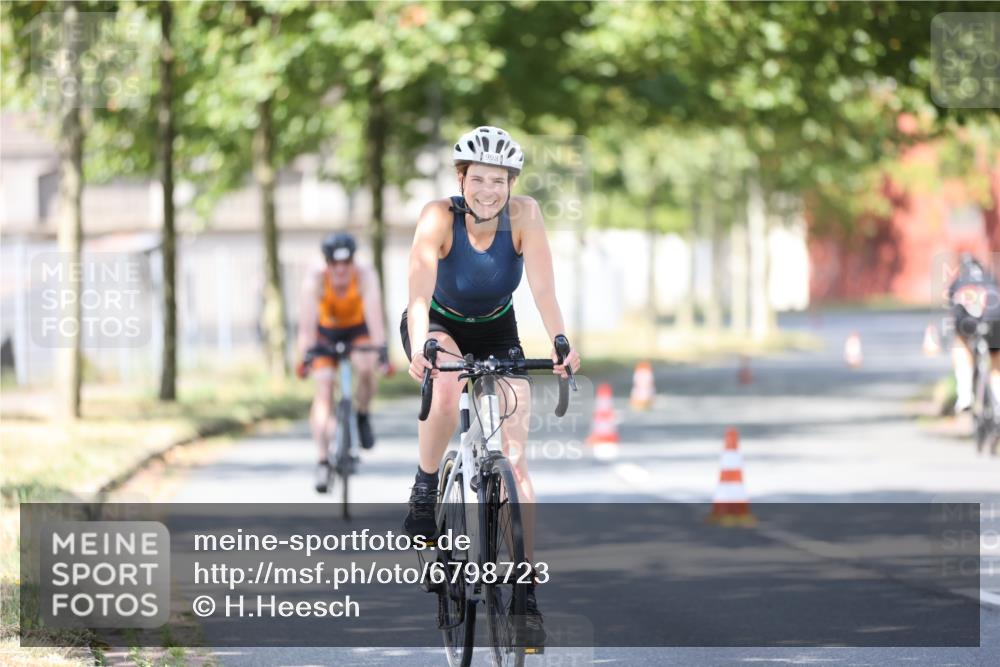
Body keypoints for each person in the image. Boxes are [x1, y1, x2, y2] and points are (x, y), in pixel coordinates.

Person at [400, 125, 581, 641]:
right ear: (462, 178)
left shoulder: (524, 216)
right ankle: (425, 485)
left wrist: (561, 341)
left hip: (498, 329)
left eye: (498, 181)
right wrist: (420, 347)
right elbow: (417, 290)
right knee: (448, 385)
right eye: (479, 179)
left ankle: (525, 595)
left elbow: (543, 288)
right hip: (437, 324)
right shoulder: (438, 217)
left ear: (510, 183)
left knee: (516, 457)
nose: (488, 191)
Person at [297, 232, 389, 493]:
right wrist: (304, 355)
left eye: (346, 263)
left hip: (357, 329)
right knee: (324, 390)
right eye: (333, 264)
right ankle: (323, 460)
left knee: (366, 368)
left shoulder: (366, 275)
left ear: (353, 262)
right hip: (325, 333)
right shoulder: (315, 279)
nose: (340, 269)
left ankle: (362, 414)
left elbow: (374, 316)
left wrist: (381, 350)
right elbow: (306, 324)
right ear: (326, 263)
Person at [948, 252, 1000, 415]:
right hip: (994, 319)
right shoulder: (990, 279)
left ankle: (964, 396)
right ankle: (998, 401)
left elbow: (953, 310)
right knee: (995, 362)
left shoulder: (958, 282)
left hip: (967, 320)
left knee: (960, 343)